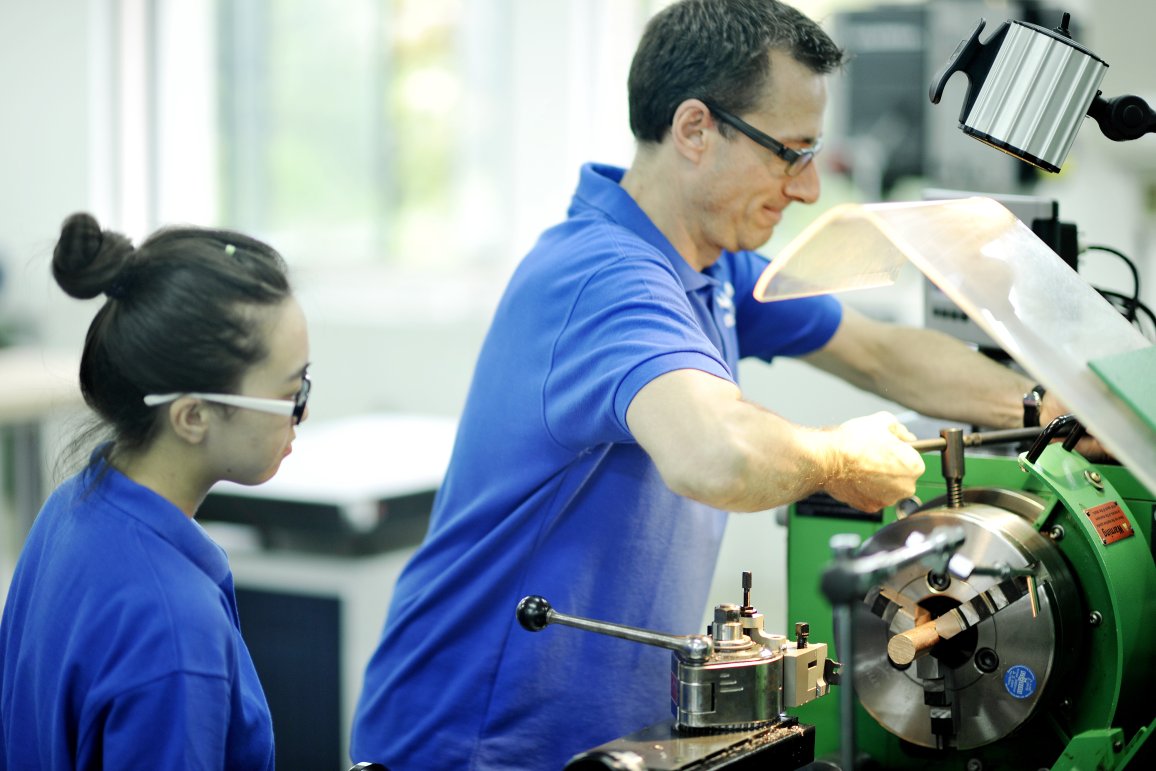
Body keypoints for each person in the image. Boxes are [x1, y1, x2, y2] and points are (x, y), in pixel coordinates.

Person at [351, 1, 1059, 767]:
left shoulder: (707, 264)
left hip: (608, 741)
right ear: (695, 130)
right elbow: (715, 453)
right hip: (478, 741)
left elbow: (882, 353)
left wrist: (1054, 407)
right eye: (790, 152)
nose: (810, 186)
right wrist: (840, 455)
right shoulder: (604, 278)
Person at [0, 213, 310, 769]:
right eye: (293, 394)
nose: (301, 415)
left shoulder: (70, 507)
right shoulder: (174, 630)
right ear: (192, 416)